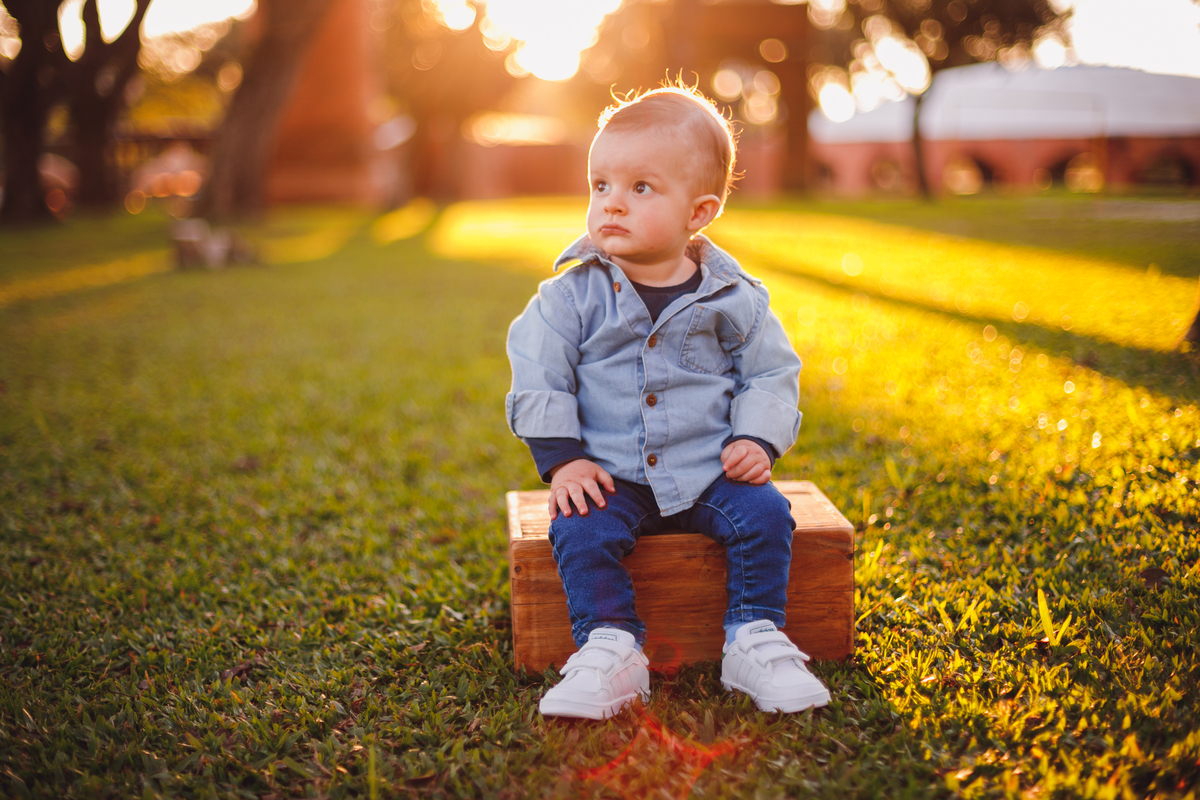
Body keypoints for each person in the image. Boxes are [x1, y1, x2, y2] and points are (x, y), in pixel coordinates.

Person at [505, 85, 830, 720]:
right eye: (600, 186)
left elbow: (771, 373)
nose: (612, 205)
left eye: (641, 188)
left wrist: (756, 441)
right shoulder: (569, 297)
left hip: (709, 471)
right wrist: (563, 460)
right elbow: (539, 373)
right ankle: (611, 645)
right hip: (612, 475)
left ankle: (753, 637)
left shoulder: (736, 299)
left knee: (764, 514)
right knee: (580, 527)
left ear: (699, 211)